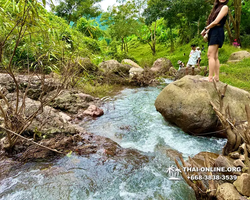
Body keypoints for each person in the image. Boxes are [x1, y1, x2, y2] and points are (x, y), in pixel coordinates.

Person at [201, 0, 229, 82]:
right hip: (213, 32)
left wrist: (205, 29)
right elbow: (213, 23)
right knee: (215, 56)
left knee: (210, 55)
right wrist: (208, 31)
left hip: (217, 32)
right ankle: (216, 77)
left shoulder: (225, 7)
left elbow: (216, 22)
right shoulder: (216, 8)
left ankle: (210, 77)